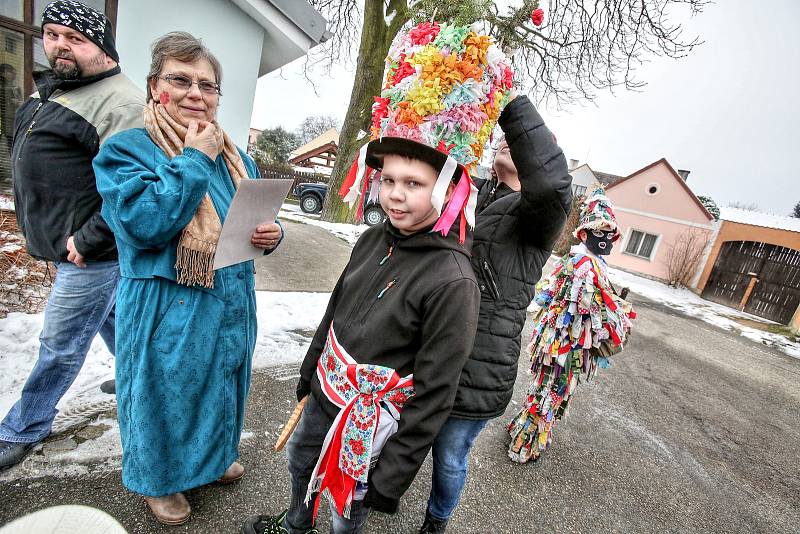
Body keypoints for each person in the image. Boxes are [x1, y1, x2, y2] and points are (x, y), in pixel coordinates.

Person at [241, 20, 517, 534]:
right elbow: (337, 311)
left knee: (349, 508)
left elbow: (436, 389)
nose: (394, 194)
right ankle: (297, 524)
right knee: (301, 463)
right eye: (387, 179)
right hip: (325, 392)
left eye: (413, 183)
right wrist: (308, 375)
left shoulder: (453, 279)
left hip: (371, 426)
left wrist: (392, 477)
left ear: (446, 189)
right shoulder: (372, 238)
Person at [93, 32, 284, 525]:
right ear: (157, 85)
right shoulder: (126, 150)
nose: (196, 93)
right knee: (164, 392)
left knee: (220, 384)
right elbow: (144, 224)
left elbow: (247, 215)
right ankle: (159, 481)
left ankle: (212, 460)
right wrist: (195, 159)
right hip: (166, 304)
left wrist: (271, 232)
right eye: (181, 79)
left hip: (229, 295)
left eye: (208, 85)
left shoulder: (235, 154)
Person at [417, 96, 574, 532]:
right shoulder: (474, 195)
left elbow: (552, 184)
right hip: (436, 348)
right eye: (502, 138)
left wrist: (510, 104)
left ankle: (436, 522)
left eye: (516, 141)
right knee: (403, 434)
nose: (505, 141)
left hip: (481, 365)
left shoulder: (537, 217)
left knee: (449, 454)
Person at [0, 0, 144, 471]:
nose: (59, 45)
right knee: (115, 323)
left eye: (75, 38)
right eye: (53, 34)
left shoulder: (118, 102)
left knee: (61, 343)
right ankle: (138, 380)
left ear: (102, 48)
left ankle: (25, 426)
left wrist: (88, 239)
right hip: (72, 247)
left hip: (92, 254)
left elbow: (131, 188)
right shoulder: (60, 88)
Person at [507, 187, 636, 462]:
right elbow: (589, 308)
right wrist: (617, 319)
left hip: (563, 344)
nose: (606, 239)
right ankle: (524, 444)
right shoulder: (584, 266)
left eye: (609, 234)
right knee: (551, 391)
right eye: (599, 233)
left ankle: (524, 430)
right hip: (564, 347)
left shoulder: (588, 262)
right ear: (585, 234)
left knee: (546, 390)